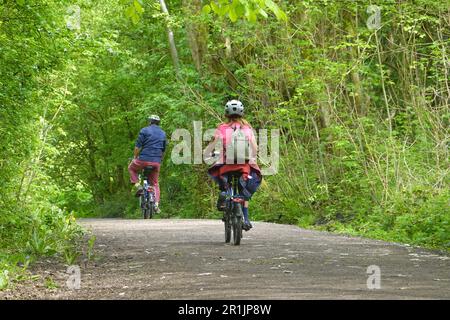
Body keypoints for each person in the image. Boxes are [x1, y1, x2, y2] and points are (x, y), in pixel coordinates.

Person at [206, 100, 262, 231]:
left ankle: (225, 192)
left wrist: (209, 153)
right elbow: (255, 148)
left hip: (226, 166)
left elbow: (213, 146)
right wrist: (253, 156)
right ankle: (246, 218)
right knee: (244, 189)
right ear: (242, 114)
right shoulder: (247, 129)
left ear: (226, 114)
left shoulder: (221, 128)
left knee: (220, 175)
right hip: (243, 167)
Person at [128, 115, 166, 212]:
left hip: (143, 159)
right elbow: (163, 150)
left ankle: (138, 185)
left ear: (150, 122)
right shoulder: (163, 133)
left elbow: (137, 147)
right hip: (156, 162)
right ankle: (156, 205)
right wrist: (159, 160)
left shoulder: (144, 130)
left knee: (131, 168)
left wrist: (135, 158)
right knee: (155, 183)